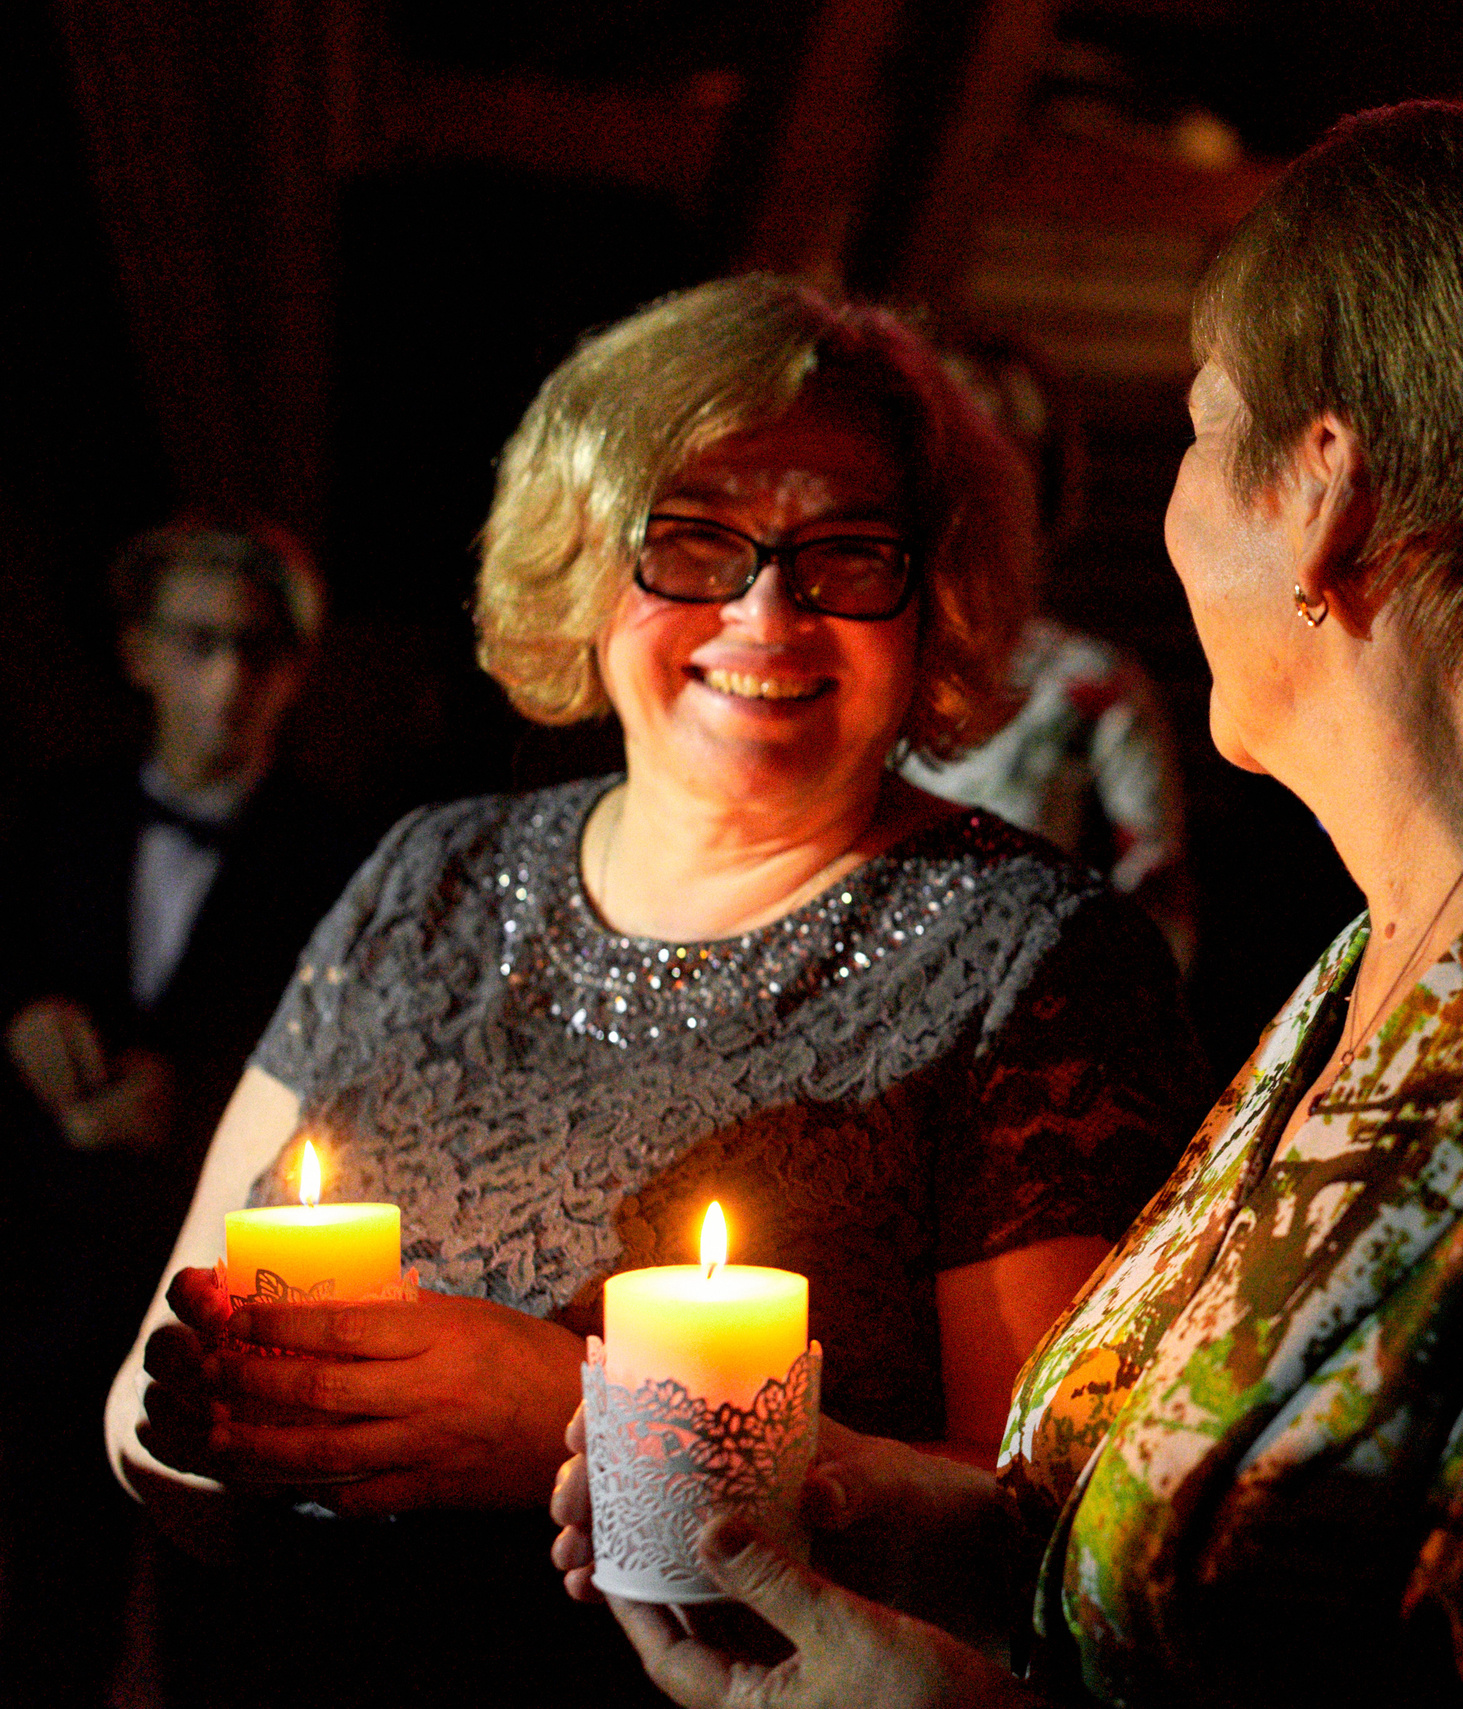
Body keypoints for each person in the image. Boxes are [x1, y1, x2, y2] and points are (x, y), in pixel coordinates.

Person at [555, 100, 1463, 1709]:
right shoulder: (1405, 939)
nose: (1169, 511)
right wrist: (926, 1529)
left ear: (1326, 493)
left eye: (1195, 425)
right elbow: (1280, 1585)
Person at [107, 279, 1205, 1709]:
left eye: (845, 553)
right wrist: (243, 1424)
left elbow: (1048, 1539)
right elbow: (145, 1395)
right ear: (578, 558)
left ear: (936, 594)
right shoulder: (428, 873)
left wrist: (573, 1418)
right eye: (695, 542)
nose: (767, 608)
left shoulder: (1030, 955)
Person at [0, 520, 365, 1704]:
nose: (227, 679)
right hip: (45, 1286)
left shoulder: (347, 854)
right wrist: (19, 1022)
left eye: (258, 650)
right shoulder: (50, 817)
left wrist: (197, 1103)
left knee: (234, 1638)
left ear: (296, 669)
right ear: (137, 651)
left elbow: (360, 1077)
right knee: (46, 1615)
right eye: (197, 641)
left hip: (228, 1292)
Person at [901, 329, 1195, 968]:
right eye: (950, 447)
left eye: (1004, 452)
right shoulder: (852, 659)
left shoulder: (1091, 686)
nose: (972, 486)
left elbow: (1158, 898)